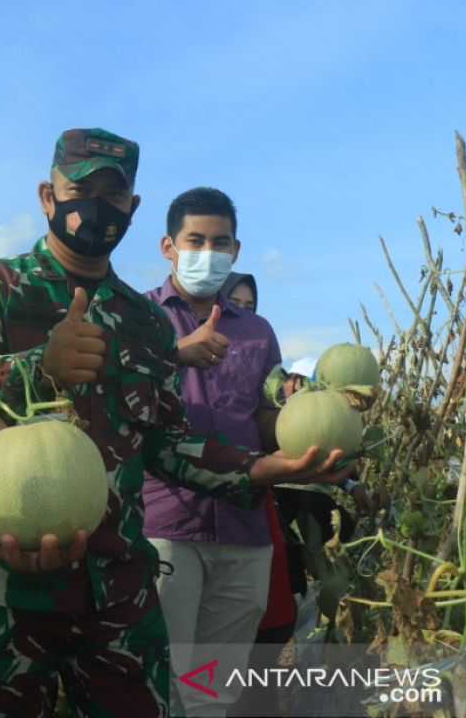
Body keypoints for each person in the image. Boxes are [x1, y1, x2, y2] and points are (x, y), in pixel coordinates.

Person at [0, 131, 350, 718]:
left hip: (116, 588)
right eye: (82, 189)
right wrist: (38, 367)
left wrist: (262, 467)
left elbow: (166, 441)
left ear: (132, 207)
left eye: (115, 192)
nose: (98, 205)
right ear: (48, 197)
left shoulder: (145, 320)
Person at [142, 189, 286, 716]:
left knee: (212, 693)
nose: (208, 251)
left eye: (219, 242)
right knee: (166, 683)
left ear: (236, 249)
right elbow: (114, 403)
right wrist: (172, 356)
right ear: (168, 246)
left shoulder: (256, 331)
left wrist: (305, 422)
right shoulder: (140, 316)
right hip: (166, 526)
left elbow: (264, 419)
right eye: (195, 240)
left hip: (243, 529)